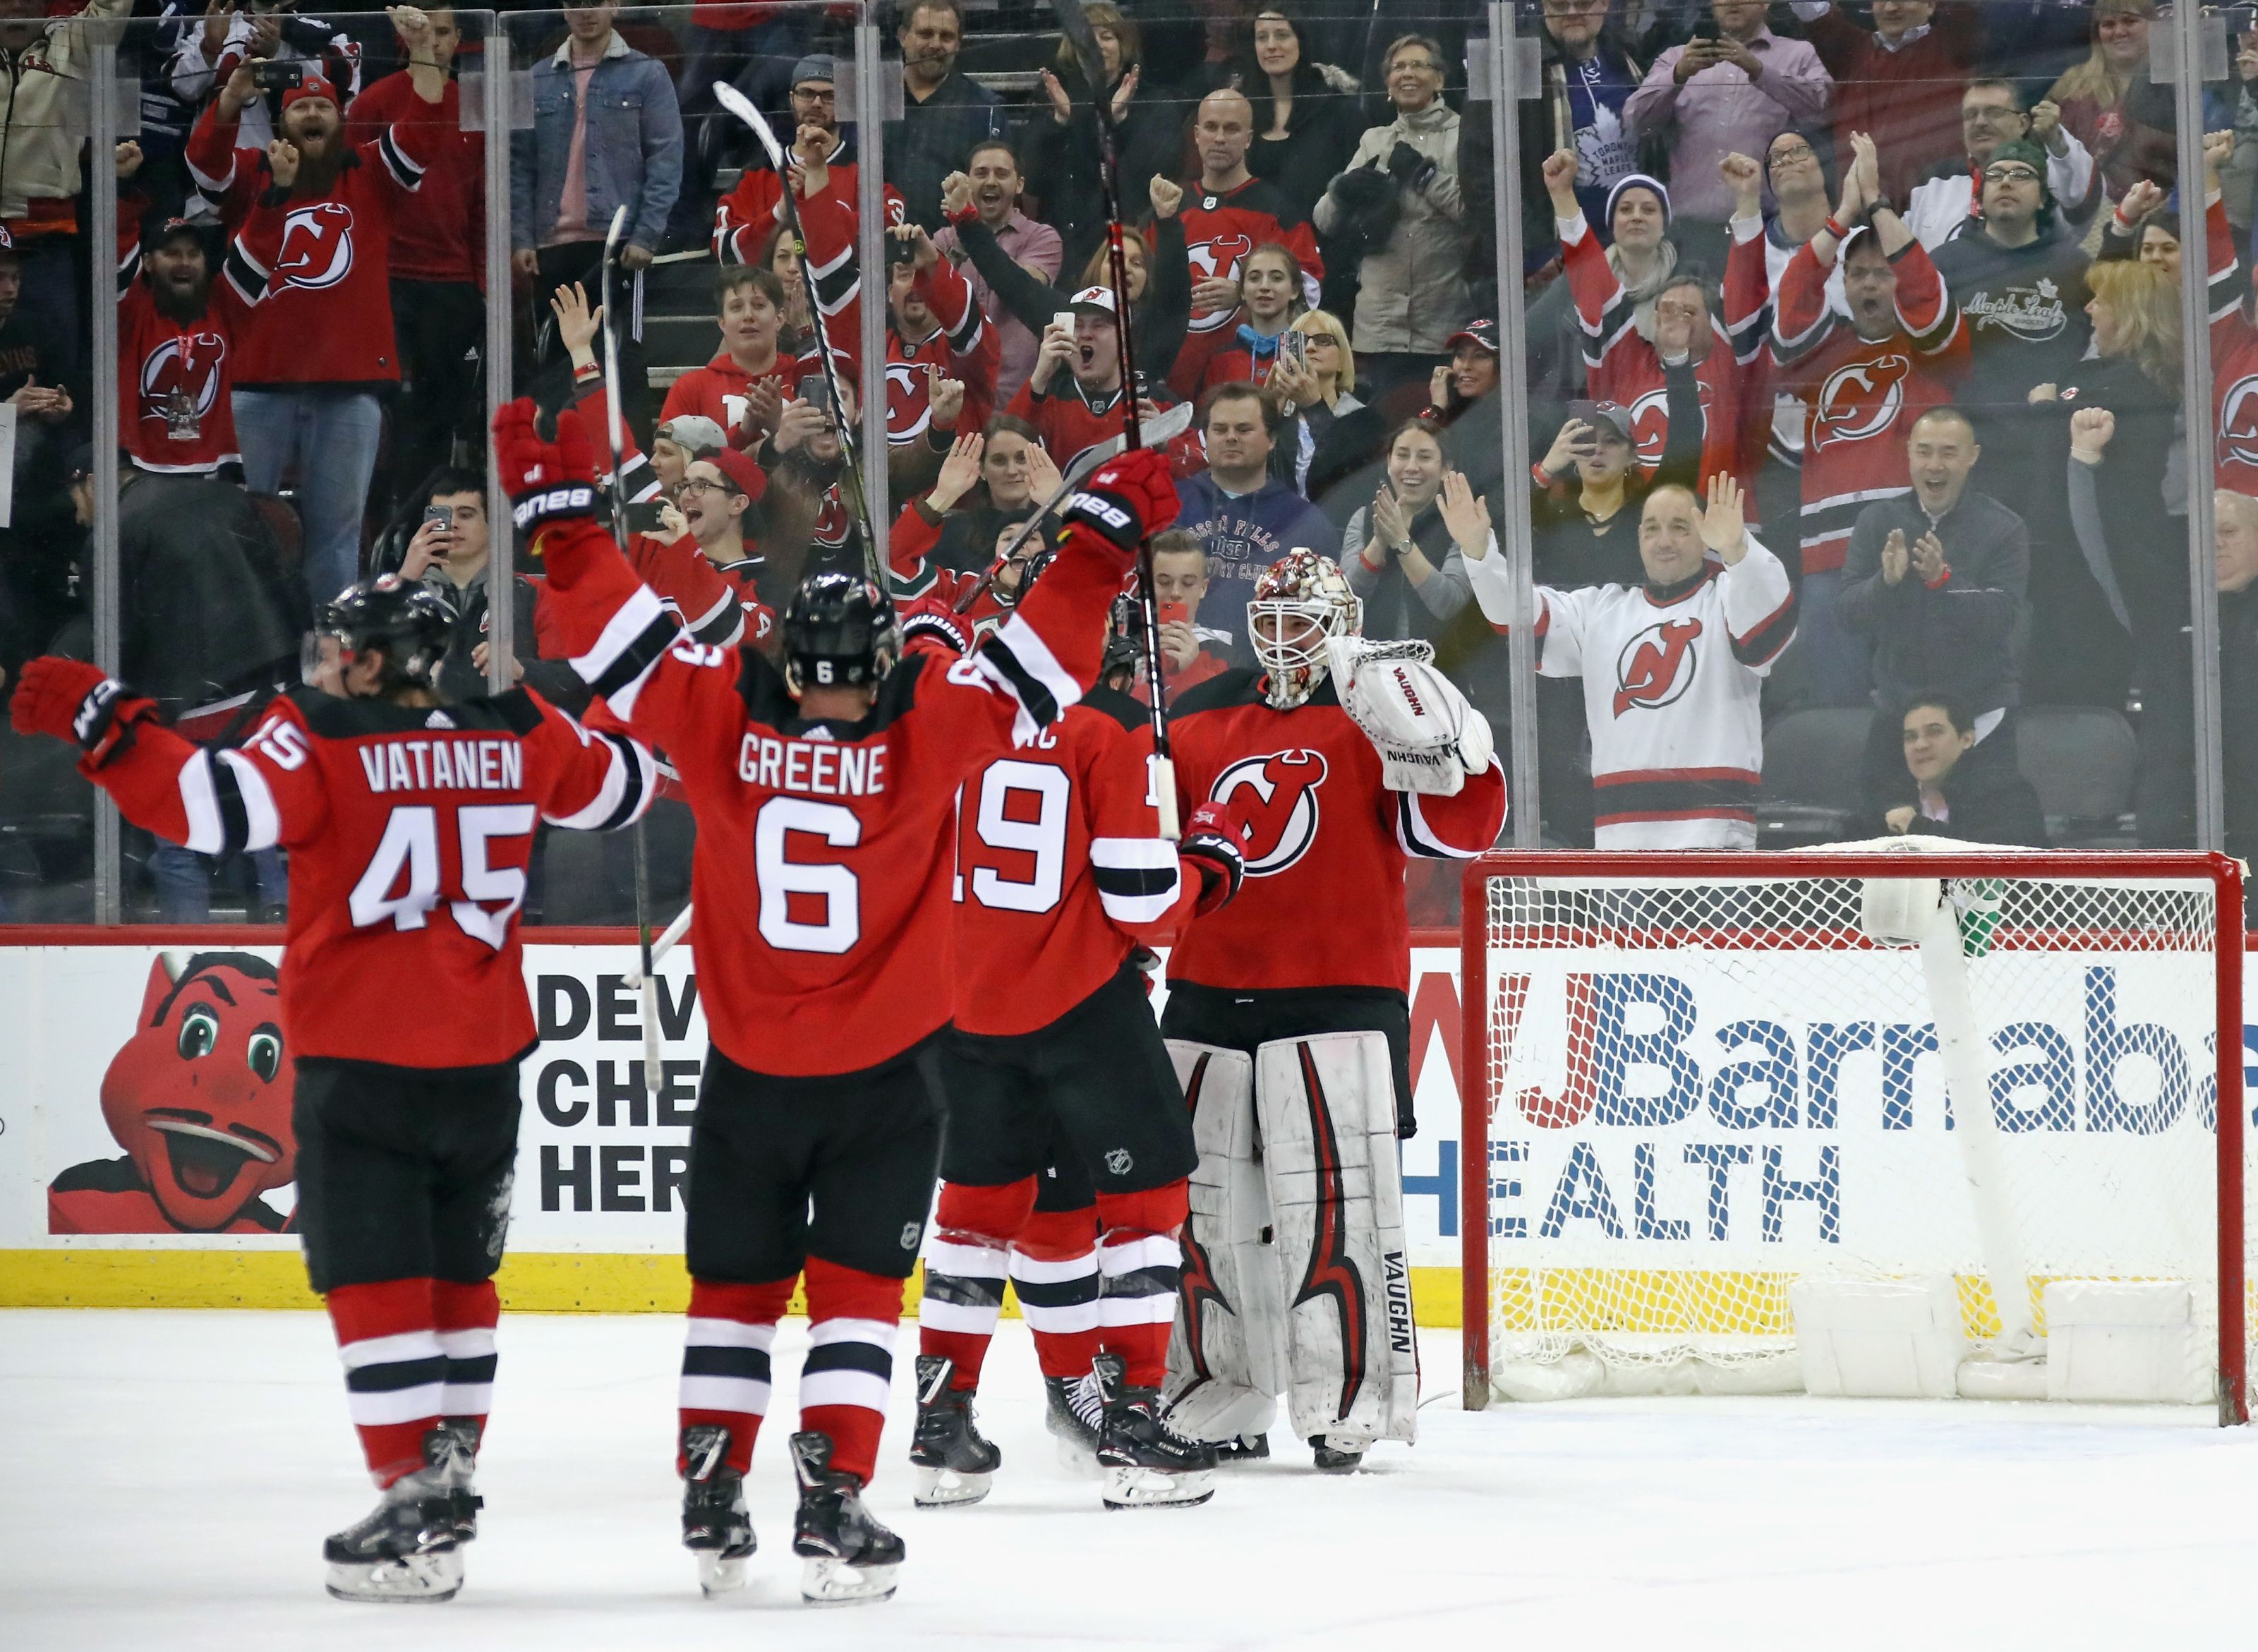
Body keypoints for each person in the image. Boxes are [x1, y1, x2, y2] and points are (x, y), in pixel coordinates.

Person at [499, 395, 1181, 1603]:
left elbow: (611, 636)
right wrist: (1098, 539)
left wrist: (559, 522)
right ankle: (833, 1504)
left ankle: (713, 1497)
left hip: (748, 1077)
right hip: (881, 1083)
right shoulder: (928, 742)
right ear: (876, 664)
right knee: (859, 1298)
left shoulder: (716, 720)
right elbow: (1043, 661)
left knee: (734, 1296)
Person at [8, 574, 656, 1601]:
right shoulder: (517, 732)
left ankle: (409, 1500)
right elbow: (630, 785)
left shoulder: (319, 740)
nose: (326, 658)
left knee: (375, 1280)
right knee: (459, 1277)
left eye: (340, 644)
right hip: (486, 1065)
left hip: (365, 1062)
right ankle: (448, 1470)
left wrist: (104, 720)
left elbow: (205, 808)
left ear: (367, 656)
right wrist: (598, 693)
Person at [910, 561, 1250, 1512]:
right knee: (1147, 1202)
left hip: (963, 1011)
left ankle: (941, 1430)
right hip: (1077, 1005)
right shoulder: (1111, 727)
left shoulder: (947, 710)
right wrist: (1208, 863)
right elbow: (1144, 908)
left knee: (976, 1218)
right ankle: (1134, 1425)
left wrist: (930, 631)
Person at [1161, 548, 1505, 1469]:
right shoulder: (1194, 711)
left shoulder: (1375, 709)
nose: (1284, 643)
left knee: (1338, 1210)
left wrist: (1430, 719)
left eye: (1304, 623)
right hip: (1202, 993)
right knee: (1204, 1212)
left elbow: (1465, 828)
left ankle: (1346, 1401)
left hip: (1337, 992)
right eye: (1269, 622)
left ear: (1344, 621)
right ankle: (1214, 1391)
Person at [188, 10, 448, 613]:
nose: (311, 115)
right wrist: (229, 100)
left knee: (335, 536)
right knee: (241, 530)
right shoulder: (258, 174)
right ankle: (249, 648)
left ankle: (329, 653)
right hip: (256, 382)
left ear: (341, 121)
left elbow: (426, 126)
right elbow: (204, 164)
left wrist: (424, 50)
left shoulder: (370, 176)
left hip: (349, 386)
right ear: (282, 120)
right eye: (301, 108)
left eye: (323, 108)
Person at [1466, 474, 1794, 848]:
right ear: (1639, 538)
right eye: (1652, 529)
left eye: (1680, 528)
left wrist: (1738, 549)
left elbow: (1766, 630)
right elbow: (1522, 617)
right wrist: (1480, 555)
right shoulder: (1602, 612)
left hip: (1716, 841)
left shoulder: (1726, 600)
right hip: (1621, 846)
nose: (1664, 541)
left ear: (1706, 537)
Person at [1771, 131, 1967, 708]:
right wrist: (1845, 215)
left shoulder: (1937, 350)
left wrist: (1879, 205)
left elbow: (1929, 292)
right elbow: (1793, 295)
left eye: (1884, 272)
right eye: (1858, 274)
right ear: (1846, 284)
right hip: (1830, 562)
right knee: (1838, 716)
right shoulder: (1817, 354)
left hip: (1917, 554)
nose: (1871, 282)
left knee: (1921, 713)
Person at [1836, 406, 2029, 821]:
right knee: (1883, 849)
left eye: (1948, 453)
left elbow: (2004, 616)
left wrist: (1944, 580)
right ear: (1908, 454)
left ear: (1972, 456)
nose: (1934, 465)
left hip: (1978, 719)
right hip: (1899, 719)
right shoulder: (1877, 521)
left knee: (1981, 857)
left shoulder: (2003, 528)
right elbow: (1849, 615)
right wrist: (1884, 583)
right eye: (1924, 452)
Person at [509, 0, 682, 440]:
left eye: (596, 1)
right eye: (574, 2)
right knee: (555, 364)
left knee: (622, 362)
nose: (585, 11)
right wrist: (522, 238)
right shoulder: (536, 78)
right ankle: (561, 474)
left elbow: (666, 160)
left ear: (616, 6)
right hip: (552, 244)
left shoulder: (648, 74)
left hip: (619, 247)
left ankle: (635, 484)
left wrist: (646, 234)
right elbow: (518, 165)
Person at [1545, 147, 1764, 490]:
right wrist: (1563, 198)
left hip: (1715, 525)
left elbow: (1746, 295)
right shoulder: (1624, 354)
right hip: (1636, 524)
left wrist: (1748, 203)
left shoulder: (1725, 357)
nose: (1675, 321)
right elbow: (1593, 287)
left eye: (1689, 313)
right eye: (1666, 311)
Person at [349, 5, 483, 506]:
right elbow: (350, 197)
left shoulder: (474, 104)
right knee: (391, 420)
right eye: (426, 30)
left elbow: (482, 203)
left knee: (440, 422)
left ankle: (431, 535)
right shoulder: (372, 103)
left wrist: (483, 283)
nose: (436, 40)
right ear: (403, 34)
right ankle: (386, 536)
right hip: (389, 282)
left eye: (444, 31)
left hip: (453, 287)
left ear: (458, 37)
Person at [1928, 140, 2091, 527]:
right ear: (1981, 196)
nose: (2006, 182)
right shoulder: (1945, 264)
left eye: (2021, 174)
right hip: (1971, 450)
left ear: (2042, 199)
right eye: (1996, 175)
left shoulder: (2075, 266)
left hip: (2051, 446)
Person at [1312, 35, 1473, 402]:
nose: (1407, 74)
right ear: (1386, 83)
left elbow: (1473, 212)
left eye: (1418, 65)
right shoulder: (1373, 140)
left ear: (1440, 80)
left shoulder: (1463, 135)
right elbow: (1324, 220)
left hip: (1443, 320)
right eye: (1398, 67)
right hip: (1380, 327)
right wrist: (1343, 190)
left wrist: (1424, 175)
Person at [944, 169, 1190, 398]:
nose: (1124, 267)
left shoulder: (1156, 326)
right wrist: (967, 221)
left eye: (1137, 263)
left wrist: (1168, 224)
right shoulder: (1065, 317)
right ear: (1096, 268)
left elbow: (1175, 295)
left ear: (1148, 279)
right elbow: (1011, 281)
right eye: (1115, 258)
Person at [113, 143, 274, 479]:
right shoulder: (131, 308)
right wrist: (123, 187)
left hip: (212, 469)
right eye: (172, 253)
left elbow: (259, 246)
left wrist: (279, 192)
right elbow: (117, 245)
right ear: (148, 262)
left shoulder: (224, 304)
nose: (184, 262)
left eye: (192, 253)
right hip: (142, 468)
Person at [1623, 0, 1830, 259]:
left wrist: (1758, 70)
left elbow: (1824, 112)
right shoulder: (1677, 58)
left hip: (1768, 227)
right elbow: (1637, 123)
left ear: (1767, 3)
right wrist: (1677, 75)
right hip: (1688, 231)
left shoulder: (1799, 54)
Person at [0, 0, 129, 400]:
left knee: (56, 381)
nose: (19, 3)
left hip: (44, 246)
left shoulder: (72, 45)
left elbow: (113, 8)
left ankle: (57, 462)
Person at [401, 469, 588, 709]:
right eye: (442, 516)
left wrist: (520, 669)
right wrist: (405, 580)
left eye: (466, 515)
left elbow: (573, 680)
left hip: (505, 737)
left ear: (495, 524)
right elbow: (360, 670)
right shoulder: (404, 594)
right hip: (420, 738)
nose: (453, 525)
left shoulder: (534, 593)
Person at [1173, 383, 1339, 653]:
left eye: (1244, 429)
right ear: (1205, 437)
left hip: (1268, 667)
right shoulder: (1169, 506)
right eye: (1219, 429)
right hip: (1176, 662)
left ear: (1272, 439)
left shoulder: (1306, 523)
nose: (1230, 438)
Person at [1029, 4, 1185, 278]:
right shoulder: (1053, 99)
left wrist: (1118, 121)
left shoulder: (1154, 103)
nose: (1096, 45)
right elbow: (1033, 179)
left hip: (1126, 250)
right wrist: (1059, 122)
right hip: (1064, 249)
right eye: (1087, 37)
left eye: (1107, 36)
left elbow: (1155, 172)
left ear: (1124, 44)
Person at [712, 57, 905, 268]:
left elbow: (886, 241)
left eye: (830, 96)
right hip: (772, 298)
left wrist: (818, 202)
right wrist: (779, 212)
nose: (816, 103)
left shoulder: (870, 171)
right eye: (807, 93)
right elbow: (726, 251)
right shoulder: (756, 174)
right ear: (792, 98)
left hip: (843, 297)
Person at [1172, 90, 1324, 354]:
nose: (1219, 138)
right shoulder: (1170, 208)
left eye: (1231, 129)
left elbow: (1310, 289)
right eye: (1211, 128)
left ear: (1248, 139)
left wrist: (1245, 294)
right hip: (1173, 372)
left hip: (1250, 371)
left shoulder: (1277, 211)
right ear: (1196, 135)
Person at [1788, 0, 1974, 207]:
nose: (1890, 8)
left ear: (1931, 5)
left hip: (1931, 208)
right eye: (1881, 0)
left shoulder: (1952, 43)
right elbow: (1812, 11)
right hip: (1859, 212)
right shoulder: (1852, 50)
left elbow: (1965, 8)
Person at [931, 139, 1063, 406]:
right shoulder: (944, 239)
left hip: (1018, 397)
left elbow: (1021, 288)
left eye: (1001, 174)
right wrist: (959, 237)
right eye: (981, 173)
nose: (991, 181)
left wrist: (968, 222)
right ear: (967, 182)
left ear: (1020, 185)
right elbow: (930, 301)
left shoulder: (1042, 237)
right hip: (954, 395)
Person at [1904, 78, 2094, 253]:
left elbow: (2081, 199)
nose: (1980, 122)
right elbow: (1903, 249)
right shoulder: (1936, 178)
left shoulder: (2048, 173)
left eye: (1994, 112)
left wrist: (2057, 142)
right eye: (1971, 115)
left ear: (2023, 123)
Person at [1518, 0, 1648, 248]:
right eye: (1559, 5)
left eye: (1583, 3)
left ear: (1606, 4)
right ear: (1544, 6)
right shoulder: (1519, 63)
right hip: (1566, 248)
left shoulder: (1631, 55)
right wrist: (1534, 250)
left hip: (1638, 242)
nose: (1572, 13)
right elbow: (1484, 166)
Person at [1341, 419, 1480, 647]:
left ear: (1446, 468)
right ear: (1389, 462)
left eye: (1424, 457)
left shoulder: (1463, 521)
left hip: (1441, 668)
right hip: (1370, 665)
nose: (1411, 467)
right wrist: (1379, 542)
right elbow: (1345, 602)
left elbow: (1448, 604)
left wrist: (1402, 542)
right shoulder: (1364, 517)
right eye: (1402, 455)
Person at [886, 0, 1006, 234]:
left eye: (946, 37)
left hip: (950, 259)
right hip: (874, 255)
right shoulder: (872, 100)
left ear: (959, 44)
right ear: (903, 36)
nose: (935, 44)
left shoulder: (985, 108)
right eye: (925, 33)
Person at [1240, 10, 1360, 227]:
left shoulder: (1339, 110)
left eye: (1282, 35)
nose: (1271, 45)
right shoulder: (1242, 110)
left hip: (1319, 247)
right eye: (1262, 37)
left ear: (1301, 41)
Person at [1880, 696, 2048, 845]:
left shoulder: (2007, 792)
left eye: (1934, 732)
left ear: (1967, 739)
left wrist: (1916, 827)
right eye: (1911, 737)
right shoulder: (1891, 797)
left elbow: (1994, 863)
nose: (1920, 745)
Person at [1267, 308, 1380, 512]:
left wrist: (1314, 408)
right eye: (1300, 341)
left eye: (1323, 340)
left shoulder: (1366, 420)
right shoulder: (1281, 417)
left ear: (1341, 359)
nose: (1310, 347)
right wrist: (1267, 417)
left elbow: (1344, 480)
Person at [2214, 490, 2258, 866]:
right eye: (2205, 534)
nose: (2215, 545)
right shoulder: (2170, 611)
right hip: (2204, 818)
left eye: (2229, 531)